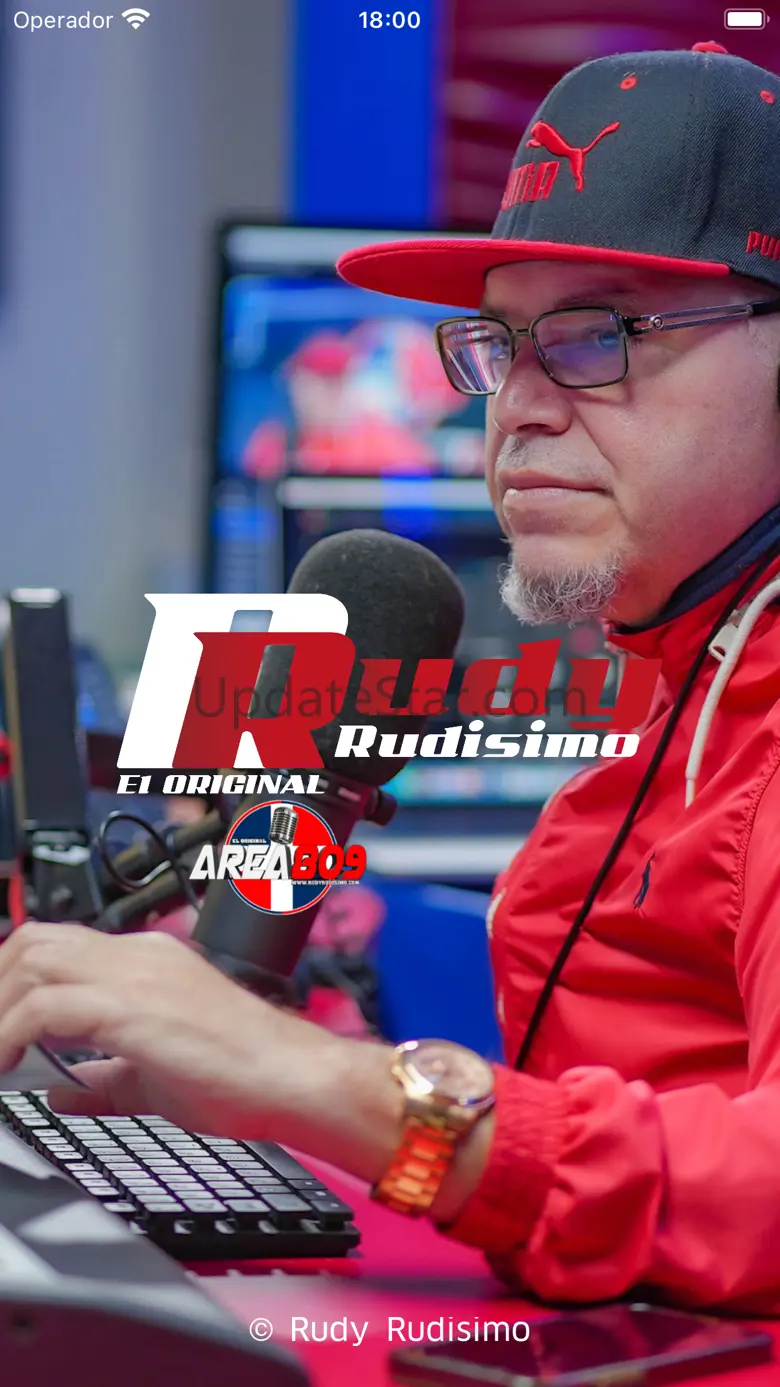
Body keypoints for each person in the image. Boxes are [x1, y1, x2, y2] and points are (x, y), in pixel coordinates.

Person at [4, 39, 780, 1313]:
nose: (517, 406)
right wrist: (276, 1077)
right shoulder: (682, 667)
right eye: (502, 344)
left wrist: (328, 1085)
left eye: (598, 334)